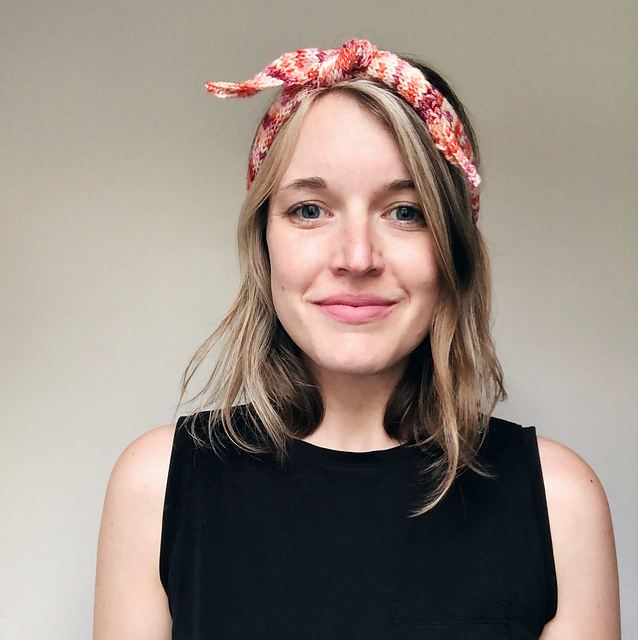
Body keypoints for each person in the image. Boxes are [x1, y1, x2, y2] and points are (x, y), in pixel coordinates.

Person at [93, 40, 620, 639]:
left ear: (453, 249)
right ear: (265, 243)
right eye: (309, 210)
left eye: (405, 212)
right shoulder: (156, 488)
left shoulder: (559, 503)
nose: (357, 257)